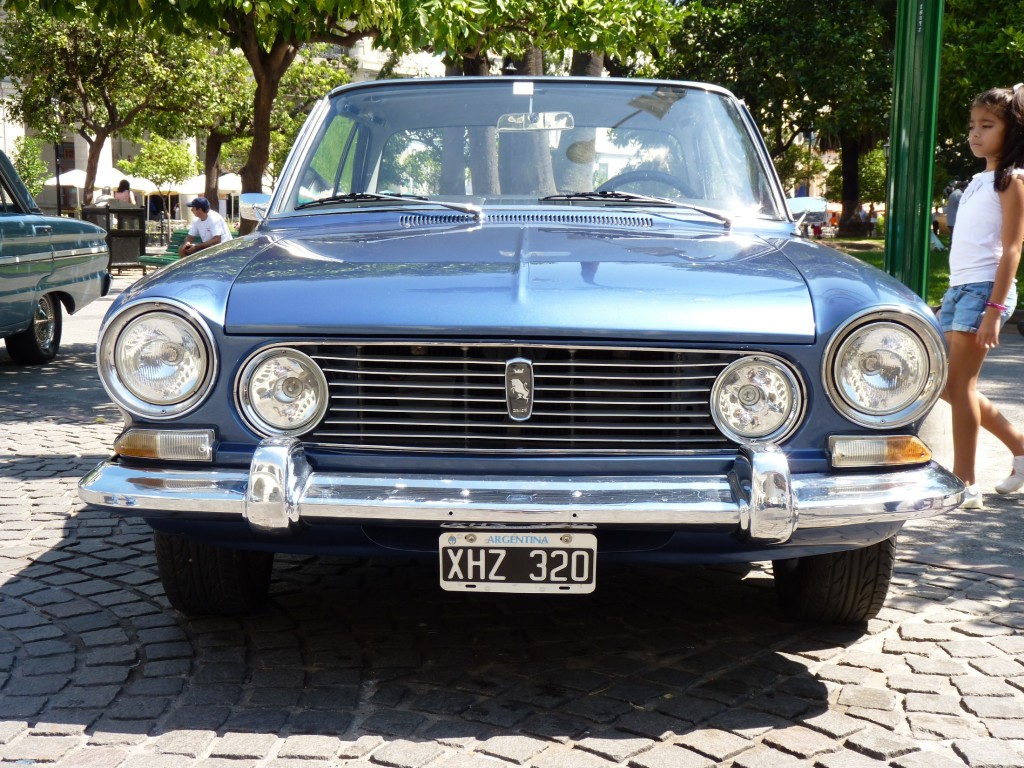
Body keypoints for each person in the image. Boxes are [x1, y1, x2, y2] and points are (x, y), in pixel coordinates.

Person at [938, 85, 1024, 509]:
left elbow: (1013, 250)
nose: (975, 133)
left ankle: (965, 482)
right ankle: (1021, 446)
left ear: (1013, 132)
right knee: (941, 383)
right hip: (959, 290)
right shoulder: (977, 181)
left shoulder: (1013, 181)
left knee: (960, 385)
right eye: (973, 125)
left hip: (985, 292)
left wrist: (993, 309)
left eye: (987, 126)